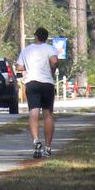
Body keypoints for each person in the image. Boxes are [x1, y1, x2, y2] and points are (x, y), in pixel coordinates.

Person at [16, 27, 59, 158]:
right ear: (46, 37)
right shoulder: (50, 48)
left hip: (32, 83)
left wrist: (28, 66)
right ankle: (48, 147)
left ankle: (36, 140)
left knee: (33, 112)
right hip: (47, 83)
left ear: (35, 36)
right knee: (48, 114)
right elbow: (54, 61)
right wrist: (52, 68)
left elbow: (19, 67)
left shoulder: (27, 50)